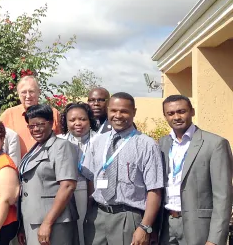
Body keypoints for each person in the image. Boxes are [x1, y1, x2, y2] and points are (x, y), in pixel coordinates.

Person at [84, 92, 164, 245]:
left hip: (128, 218)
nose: (118, 115)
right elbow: (90, 180)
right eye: (113, 110)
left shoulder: (146, 145)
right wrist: (89, 212)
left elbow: (154, 191)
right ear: (108, 111)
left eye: (124, 111)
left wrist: (145, 226)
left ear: (134, 112)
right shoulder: (97, 141)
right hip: (97, 216)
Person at [158, 95, 232, 245]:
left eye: (181, 111)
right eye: (171, 113)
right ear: (165, 116)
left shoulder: (215, 144)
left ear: (192, 111)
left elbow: (223, 196)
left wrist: (215, 239)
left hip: (199, 228)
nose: (176, 117)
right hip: (166, 225)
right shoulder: (162, 143)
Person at [18, 104, 79, 245]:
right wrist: (22, 225)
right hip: (32, 221)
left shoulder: (61, 146)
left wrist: (47, 222)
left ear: (51, 123)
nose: (36, 129)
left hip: (53, 221)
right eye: (31, 126)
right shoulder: (34, 149)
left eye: (40, 124)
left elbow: (68, 186)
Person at [57, 102, 99, 245]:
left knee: (87, 232)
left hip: (92, 192)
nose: (77, 123)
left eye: (82, 119)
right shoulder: (59, 141)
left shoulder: (100, 140)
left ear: (90, 120)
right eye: (72, 120)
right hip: (65, 191)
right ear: (66, 122)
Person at [0, 76, 62, 158]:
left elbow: (60, 141)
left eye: (31, 91)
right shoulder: (8, 115)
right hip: (17, 167)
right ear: (18, 94)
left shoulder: (53, 113)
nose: (28, 96)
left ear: (39, 92)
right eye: (24, 92)